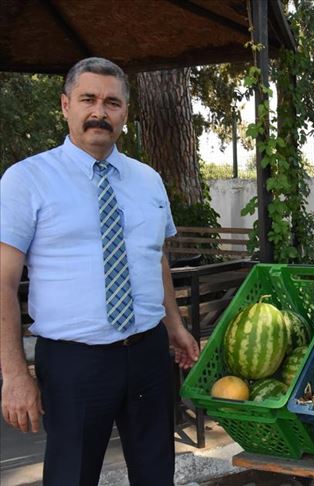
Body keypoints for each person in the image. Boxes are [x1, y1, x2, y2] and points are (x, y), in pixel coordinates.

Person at [0, 57, 199, 485]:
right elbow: (3, 281)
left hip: (147, 353)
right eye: (88, 99)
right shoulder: (26, 180)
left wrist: (175, 326)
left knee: (156, 473)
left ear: (125, 112)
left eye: (112, 103)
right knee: (71, 476)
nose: (99, 112)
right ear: (65, 105)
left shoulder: (148, 180)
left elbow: (155, 258)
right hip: (74, 362)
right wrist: (14, 374)